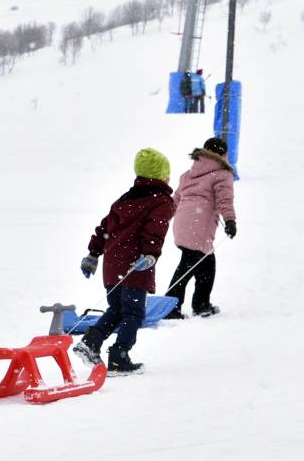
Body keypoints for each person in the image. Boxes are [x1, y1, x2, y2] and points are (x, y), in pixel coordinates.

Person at [73, 148, 176, 375]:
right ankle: (119, 357)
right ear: (160, 176)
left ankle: (91, 342)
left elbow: (105, 227)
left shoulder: (126, 199)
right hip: (135, 264)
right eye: (167, 172)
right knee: (134, 313)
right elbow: (154, 230)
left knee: (118, 309)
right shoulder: (161, 201)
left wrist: (93, 253)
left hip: (113, 265)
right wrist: (150, 254)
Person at [164, 137, 237, 319]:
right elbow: (224, 200)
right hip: (199, 225)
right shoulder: (222, 174)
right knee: (189, 265)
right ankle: (172, 306)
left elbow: (175, 200)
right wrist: (230, 220)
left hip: (182, 223)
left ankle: (200, 303)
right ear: (223, 154)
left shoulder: (188, 174)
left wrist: (163, 218)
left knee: (205, 264)